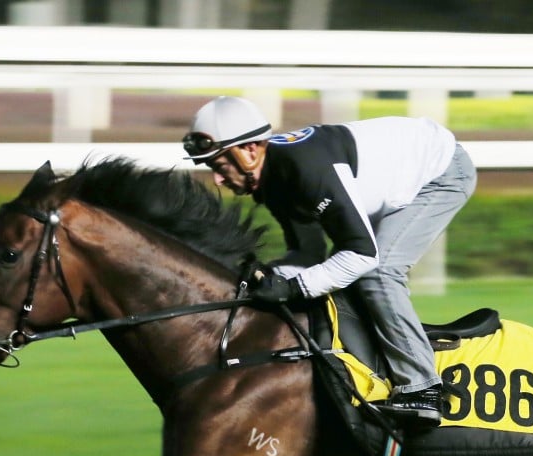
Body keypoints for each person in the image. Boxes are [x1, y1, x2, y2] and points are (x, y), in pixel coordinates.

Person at [181, 95, 477, 427]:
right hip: (397, 174)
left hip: (440, 173)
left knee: (378, 273)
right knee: (342, 278)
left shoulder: (305, 169)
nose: (217, 180)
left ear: (248, 151)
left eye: (220, 167)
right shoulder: (273, 179)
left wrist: (293, 289)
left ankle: (423, 389)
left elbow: (362, 254)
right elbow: (308, 254)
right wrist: (272, 276)